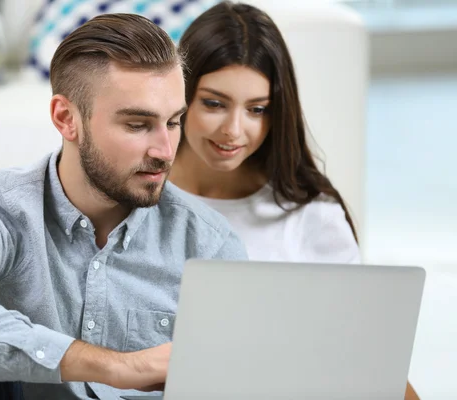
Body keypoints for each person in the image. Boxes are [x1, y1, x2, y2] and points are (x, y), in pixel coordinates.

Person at [0, 13, 247, 400]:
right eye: (137, 125)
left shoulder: (209, 244)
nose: (164, 151)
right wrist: (117, 366)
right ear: (66, 118)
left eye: (174, 122)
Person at [168, 2, 420, 399]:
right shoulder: (134, 189)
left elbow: (361, 351)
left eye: (258, 109)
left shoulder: (309, 212)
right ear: (179, 95)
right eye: (214, 103)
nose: (234, 130)